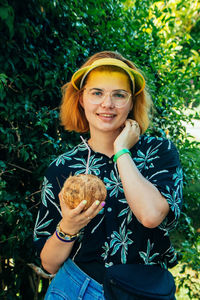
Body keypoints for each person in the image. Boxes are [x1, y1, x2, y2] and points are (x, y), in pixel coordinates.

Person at [33, 51, 183, 300]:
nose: (107, 104)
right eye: (97, 93)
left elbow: (151, 215)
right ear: (81, 99)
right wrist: (69, 226)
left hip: (144, 292)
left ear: (132, 102)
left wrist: (121, 151)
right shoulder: (63, 167)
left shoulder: (159, 152)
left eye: (119, 95)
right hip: (75, 289)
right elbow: (48, 264)